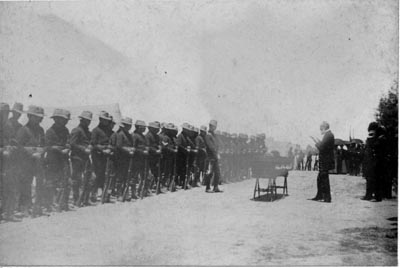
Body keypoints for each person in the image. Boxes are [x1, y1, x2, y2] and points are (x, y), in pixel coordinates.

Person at [16, 105, 46, 216]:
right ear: (29, 116)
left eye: (40, 117)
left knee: (40, 184)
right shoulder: (23, 130)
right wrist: (32, 153)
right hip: (26, 163)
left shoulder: (41, 130)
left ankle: (37, 207)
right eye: (36, 117)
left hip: (38, 162)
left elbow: (44, 144)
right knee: (26, 184)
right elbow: (19, 147)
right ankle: (25, 207)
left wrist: (41, 151)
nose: (39, 119)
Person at [45, 108, 71, 212]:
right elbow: (47, 146)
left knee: (65, 181)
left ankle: (62, 203)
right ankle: (49, 204)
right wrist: (59, 150)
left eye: (66, 120)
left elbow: (69, 142)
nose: (66, 122)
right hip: (53, 160)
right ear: (56, 119)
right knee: (51, 182)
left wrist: (68, 148)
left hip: (63, 159)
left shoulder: (65, 130)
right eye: (64, 120)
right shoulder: (50, 131)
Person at [70, 111, 93, 206]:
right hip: (77, 157)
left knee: (90, 178)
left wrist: (90, 147)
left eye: (89, 121)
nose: (88, 122)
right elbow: (72, 143)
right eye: (86, 120)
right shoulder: (77, 130)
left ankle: (85, 199)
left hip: (86, 158)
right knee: (77, 179)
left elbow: (90, 142)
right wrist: (84, 149)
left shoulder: (88, 132)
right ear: (81, 120)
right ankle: (76, 199)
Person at [90, 111, 113, 202]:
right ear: (100, 120)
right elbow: (94, 144)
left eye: (107, 120)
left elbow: (111, 142)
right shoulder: (95, 130)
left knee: (105, 174)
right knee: (97, 174)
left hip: (107, 156)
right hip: (98, 155)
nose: (106, 122)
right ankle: (94, 193)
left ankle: (103, 192)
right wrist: (103, 149)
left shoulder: (109, 131)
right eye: (104, 120)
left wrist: (110, 149)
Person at [310, 121, 334, 203]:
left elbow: (322, 148)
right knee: (320, 179)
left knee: (324, 179)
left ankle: (327, 198)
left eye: (321, 129)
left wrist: (315, 142)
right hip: (325, 161)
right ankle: (320, 196)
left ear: (324, 128)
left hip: (325, 161)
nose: (320, 131)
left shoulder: (328, 135)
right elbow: (324, 146)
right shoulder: (329, 135)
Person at [204, 119, 222, 193]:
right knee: (210, 172)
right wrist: (216, 153)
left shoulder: (214, 135)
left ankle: (215, 187)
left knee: (217, 172)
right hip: (210, 156)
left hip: (215, 156)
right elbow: (210, 146)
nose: (214, 128)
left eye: (214, 126)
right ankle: (207, 187)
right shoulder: (208, 135)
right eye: (212, 126)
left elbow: (217, 145)